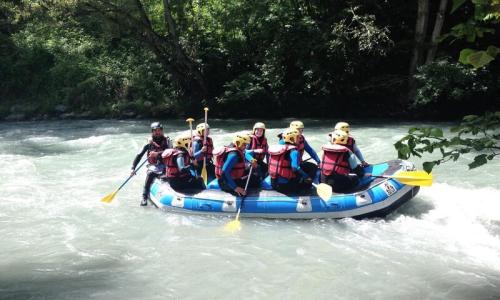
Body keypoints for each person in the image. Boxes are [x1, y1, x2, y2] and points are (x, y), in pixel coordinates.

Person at [131, 122, 171, 206]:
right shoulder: (149, 143)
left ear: (162, 131)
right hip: (154, 166)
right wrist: (133, 168)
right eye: (155, 131)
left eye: (159, 130)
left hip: (166, 164)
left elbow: (171, 152)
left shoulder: (167, 141)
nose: (157, 132)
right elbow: (139, 155)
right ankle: (144, 196)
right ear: (152, 132)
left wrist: (158, 154)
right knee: (150, 173)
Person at [269, 128, 315, 194]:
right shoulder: (294, 151)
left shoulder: (279, 148)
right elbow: (294, 168)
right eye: (297, 137)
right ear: (292, 138)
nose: (299, 139)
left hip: (273, 183)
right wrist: (306, 177)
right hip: (285, 186)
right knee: (306, 182)